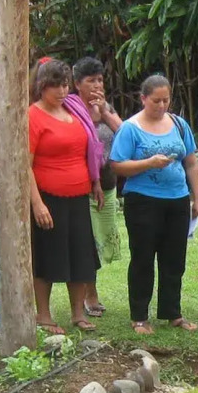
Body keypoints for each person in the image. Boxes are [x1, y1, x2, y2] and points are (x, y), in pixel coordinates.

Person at [110, 74, 198, 333]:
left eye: (166, 100)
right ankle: (139, 315)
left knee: (174, 258)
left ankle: (172, 312)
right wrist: (149, 163)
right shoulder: (130, 128)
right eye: (156, 101)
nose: (162, 106)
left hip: (176, 199)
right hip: (143, 200)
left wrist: (197, 197)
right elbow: (117, 165)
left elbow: (191, 161)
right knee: (143, 258)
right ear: (143, 99)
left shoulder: (178, 124)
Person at [30, 59, 101, 333]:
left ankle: (77, 314)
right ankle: (44, 315)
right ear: (41, 86)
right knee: (47, 257)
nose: (61, 91)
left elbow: (89, 149)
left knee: (81, 256)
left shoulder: (73, 109)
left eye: (64, 85)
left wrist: (94, 182)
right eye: (54, 86)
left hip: (79, 194)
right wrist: (37, 203)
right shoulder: (33, 116)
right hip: (49, 197)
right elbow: (26, 165)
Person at [73, 57, 123, 318]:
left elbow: (125, 134)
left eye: (100, 80)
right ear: (77, 84)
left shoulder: (105, 107)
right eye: (91, 80)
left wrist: (103, 111)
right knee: (86, 243)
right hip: (82, 186)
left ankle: (91, 292)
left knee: (101, 239)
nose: (96, 85)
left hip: (108, 183)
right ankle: (88, 295)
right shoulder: (70, 109)